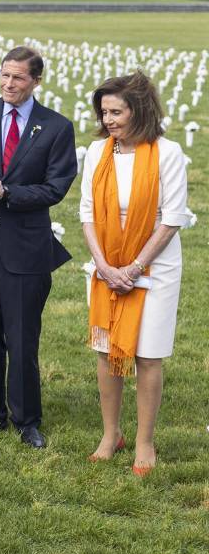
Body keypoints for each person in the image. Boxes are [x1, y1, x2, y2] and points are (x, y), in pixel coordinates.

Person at [0, 46, 77, 449]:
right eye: (4, 75)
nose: (8, 84)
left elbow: (55, 188)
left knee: (22, 336)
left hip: (25, 246)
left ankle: (26, 419)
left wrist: (8, 192)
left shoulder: (55, 127)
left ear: (36, 81)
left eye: (18, 78)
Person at [80, 72, 190, 476]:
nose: (108, 120)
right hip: (107, 264)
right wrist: (107, 267)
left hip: (155, 264)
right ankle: (111, 435)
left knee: (148, 354)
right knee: (106, 351)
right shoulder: (97, 152)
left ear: (139, 111)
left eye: (116, 112)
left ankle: (144, 442)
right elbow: (87, 214)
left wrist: (135, 266)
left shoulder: (168, 153)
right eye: (104, 112)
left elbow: (172, 218)